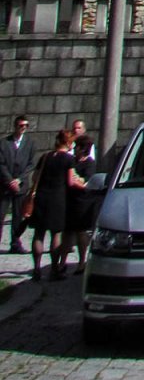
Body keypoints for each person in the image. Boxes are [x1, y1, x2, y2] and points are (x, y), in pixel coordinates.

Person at [29, 129, 86, 281]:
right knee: (56, 234)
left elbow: (35, 177)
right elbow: (70, 181)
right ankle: (54, 269)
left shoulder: (45, 156)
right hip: (57, 198)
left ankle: (36, 269)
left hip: (41, 197)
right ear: (68, 142)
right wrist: (83, 183)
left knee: (38, 234)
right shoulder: (68, 159)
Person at [63, 134, 100, 273]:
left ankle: (82, 261)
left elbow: (85, 182)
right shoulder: (71, 161)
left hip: (83, 202)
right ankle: (62, 261)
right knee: (67, 233)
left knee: (81, 233)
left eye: (77, 146)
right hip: (70, 199)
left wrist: (76, 179)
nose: (75, 149)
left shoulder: (89, 163)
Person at [0, 115, 35, 253]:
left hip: (21, 185)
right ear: (15, 126)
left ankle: (15, 243)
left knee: (17, 216)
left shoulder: (30, 143)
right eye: (21, 126)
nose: (23, 128)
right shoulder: (4, 143)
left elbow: (31, 164)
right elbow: (1, 163)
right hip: (5, 185)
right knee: (1, 214)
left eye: (25, 126)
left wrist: (19, 179)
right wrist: (9, 180)